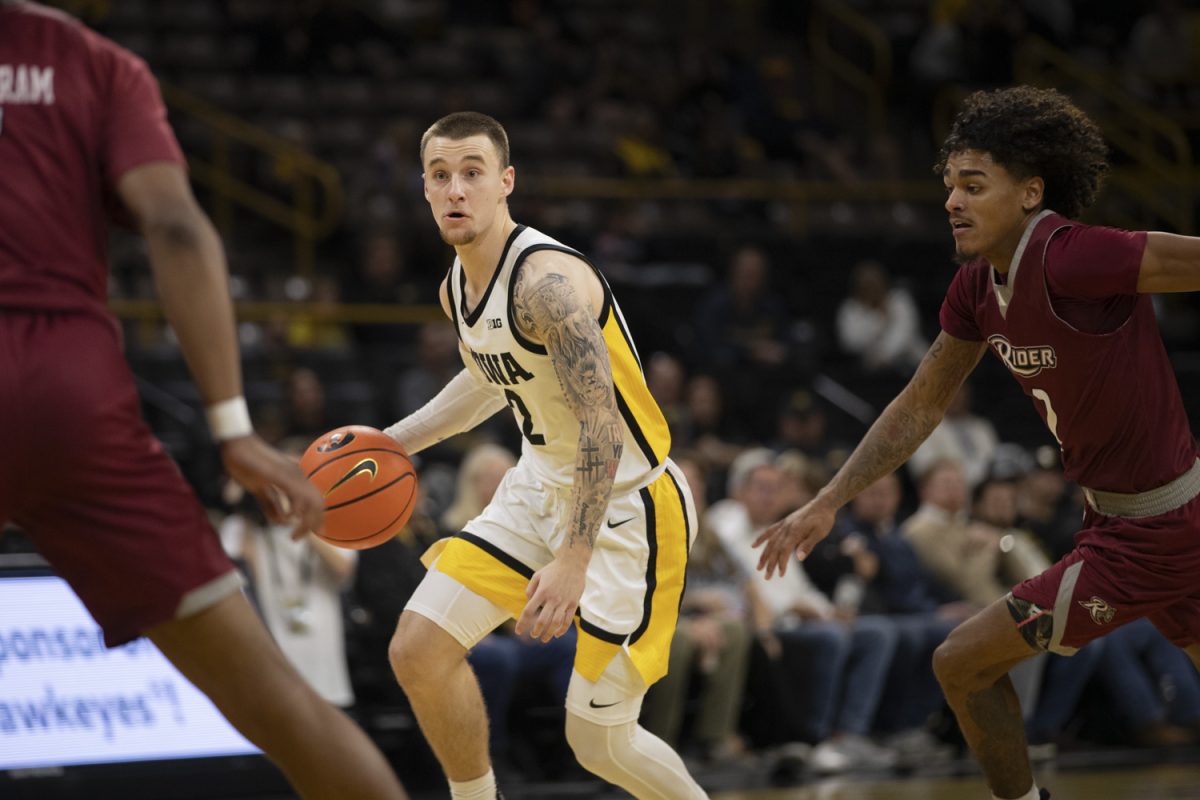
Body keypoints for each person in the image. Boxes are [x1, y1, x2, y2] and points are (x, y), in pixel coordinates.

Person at [0, 4, 408, 798]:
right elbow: (179, 231)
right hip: (72, 393)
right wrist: (234, 429)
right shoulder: (99, 65)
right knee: (282, 705)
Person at [755, 85, 1200, 800]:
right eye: (949, 186)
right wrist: (829, 499)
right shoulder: (974, 288)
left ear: (1029, 192)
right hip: (1123, 519)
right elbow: (919, 405)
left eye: (973, 185)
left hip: (1154, 529)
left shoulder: (1073, 257)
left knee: (961, 662)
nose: (952, 202)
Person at [383, 112, 706, 800]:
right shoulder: (457, 287)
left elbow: (603, 427)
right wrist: (393, 443)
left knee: (598, 741)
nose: (455, 190)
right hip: (537, 488)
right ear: (424, 189)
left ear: (505, 183)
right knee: (418, 648)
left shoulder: (546, 285)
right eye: (440, 176)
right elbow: (487, 381)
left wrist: (575, 558)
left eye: (472, 172)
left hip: (628, 509)